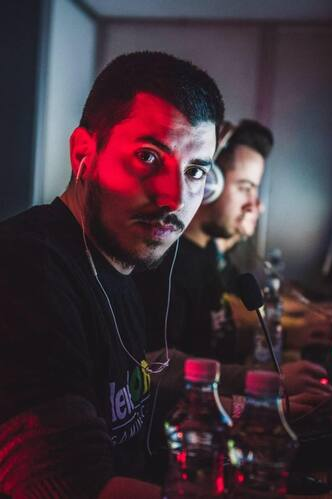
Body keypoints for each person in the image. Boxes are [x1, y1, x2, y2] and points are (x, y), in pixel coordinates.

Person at [0, 51, 224, 498]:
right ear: (83, 152)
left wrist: (254, 406)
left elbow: (129, 401)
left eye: (195, 170)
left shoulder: (115, 262)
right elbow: (72, 488)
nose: (174, 197)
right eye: (148, 156)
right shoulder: (27, 270)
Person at [135, 119, 332, 399]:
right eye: (245, 187)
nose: (255, 204)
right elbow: (158, 372)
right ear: (209, 184)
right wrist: (262, 387)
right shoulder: (166, 266)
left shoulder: (206, 253)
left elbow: (222, 330)